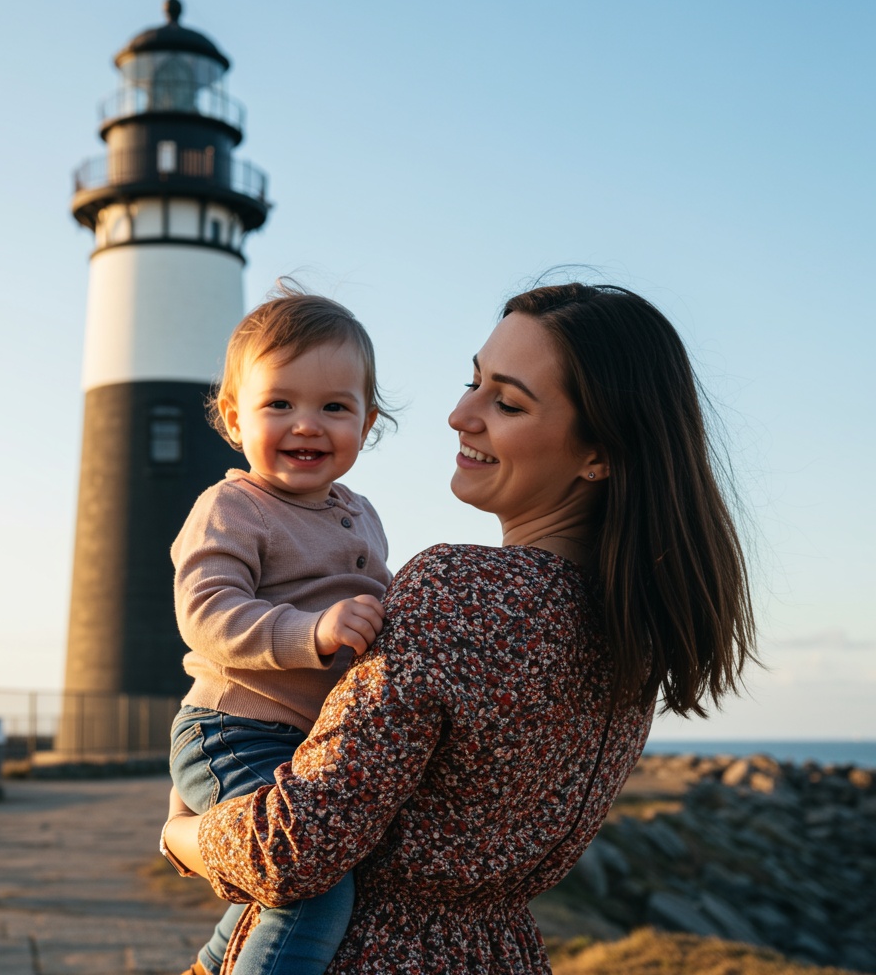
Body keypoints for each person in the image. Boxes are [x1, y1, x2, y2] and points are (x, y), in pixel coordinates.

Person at [161, 281, 758, 975]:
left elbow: (293, 847)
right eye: (473, 382)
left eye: (505, 401)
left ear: (600, 455)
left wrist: (183, 837)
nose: (458, 415)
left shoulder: (457, 593)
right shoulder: (635, 628)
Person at [165, 286, 396, 975]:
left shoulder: (362, 513)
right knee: (308, 881)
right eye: (279, 404)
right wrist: (311, 630)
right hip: (232, 727)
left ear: (367, 420)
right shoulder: (233, 506)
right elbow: (206, 613)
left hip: (304, 738)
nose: (307, 424)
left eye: (334, 407)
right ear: (235, 418)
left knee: (280, 880)